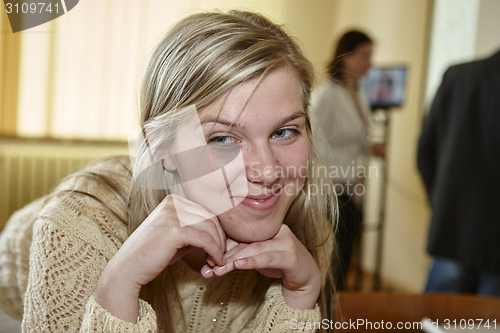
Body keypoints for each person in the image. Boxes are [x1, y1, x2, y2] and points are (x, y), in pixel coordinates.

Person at [0, 10, 336, 332]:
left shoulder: (305, 225)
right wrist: (118, 286)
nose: (267, 172)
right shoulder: (78, 225)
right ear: (163, 148)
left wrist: (298, 297)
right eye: (222, 138)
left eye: (284, 132)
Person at [418, 49, 500, 296]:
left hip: (452, 225)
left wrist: (444, 203)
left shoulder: (457, 76)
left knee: (439, 321)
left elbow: (425, 151)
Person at [310, 30, 384, 291]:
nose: (369, 63)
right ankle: (323, 318)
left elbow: (353, 136)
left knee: (347, 255)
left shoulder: (360, 94)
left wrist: (369, 147)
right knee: (333, 257)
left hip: (354, 187)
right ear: (346, 56)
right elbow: (314, 146)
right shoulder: (325, 97)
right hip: (333, 188)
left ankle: (337, 311)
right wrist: (347, 172)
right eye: (365, 55)